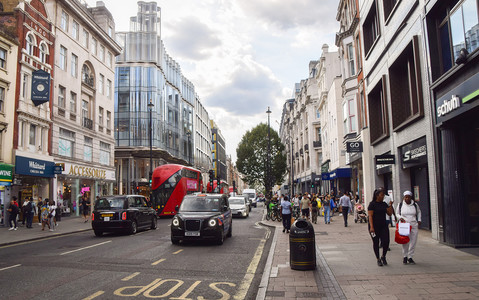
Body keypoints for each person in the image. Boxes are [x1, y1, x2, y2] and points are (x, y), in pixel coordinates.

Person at [368, 189, 394, 266]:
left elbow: (389, 213)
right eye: (382, 195)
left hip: (383, 225)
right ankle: (378, 259)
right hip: (374, 226)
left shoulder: (384, 204)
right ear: (377, 196)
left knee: (386, 241)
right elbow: (370, 216)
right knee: (376, 242)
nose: (383, 197)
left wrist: (390, 206)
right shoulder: (372, 204)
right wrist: (371, 227)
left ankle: (383, 256)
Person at [396, 190, 422, 265]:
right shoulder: (400, 205)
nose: (407, 198)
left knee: (413, 241)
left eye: (408, 197)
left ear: (411, 197)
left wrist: (419, 220)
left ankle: (410, 257)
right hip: (404, 225)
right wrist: (400, 217)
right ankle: (405, 256)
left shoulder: (415, 205)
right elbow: (397, 213)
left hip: (413, 225)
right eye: (406, 197)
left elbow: (419, 212)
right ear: (404, 197)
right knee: (405, 241)